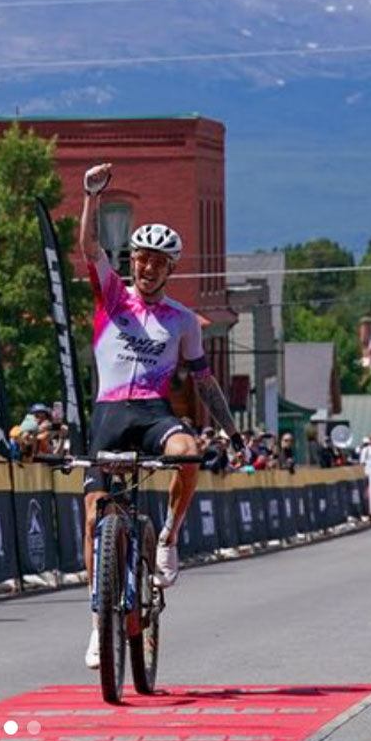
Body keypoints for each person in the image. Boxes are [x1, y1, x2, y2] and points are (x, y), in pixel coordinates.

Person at [79, 162, 239, 670]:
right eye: (142, 260)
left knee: (188, 452)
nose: (147, 269)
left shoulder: (183, 320)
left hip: (152, 413)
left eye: (158, 264)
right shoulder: (111, 296)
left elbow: (203, 380)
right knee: (92, 518)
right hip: (108, 413)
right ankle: (97, 621)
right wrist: (90, 197)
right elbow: (88, 248)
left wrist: (231, 431)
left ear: (170, 270)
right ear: (133, 262)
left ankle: (167, 537)